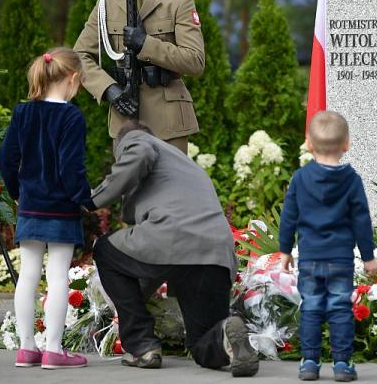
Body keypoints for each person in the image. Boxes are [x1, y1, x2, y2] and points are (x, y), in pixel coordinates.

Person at [90, 122, 258, 376]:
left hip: (172, 238)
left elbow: (141, 154)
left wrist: (90, 200)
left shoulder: (137, 141)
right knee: (201, 343)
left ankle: (143, 346)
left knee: (105, 250)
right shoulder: (185, 164)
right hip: (215, 252)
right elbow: (150, 266)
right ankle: (225, 336)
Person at [74, 0, 204, 154]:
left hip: (169, 121)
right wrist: (109, 89)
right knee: (130, 191)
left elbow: (195, 61)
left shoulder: (179, 1)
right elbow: (79, 56)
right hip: (125, 117)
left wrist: (146, 44)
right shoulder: (108, 2)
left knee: (170, 191)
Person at [0, 48, 95, 369]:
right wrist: (86, 198)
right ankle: (53, 349)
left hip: (30, 207)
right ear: (73, 79)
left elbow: (6, 159)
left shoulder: (22, 113)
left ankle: (27, 348)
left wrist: (18, 193)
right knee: (57, 277)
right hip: (61, 210)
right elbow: (71, 168)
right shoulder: (71, 117)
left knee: (26, 275)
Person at [278, 111, 377, 382]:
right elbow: (361, 221)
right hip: (340, 258)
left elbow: (289, 217)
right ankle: (342, 364)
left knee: (310, 306)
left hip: (310, 258)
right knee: (339, 308)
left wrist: (285, 250)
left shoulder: (300, 178)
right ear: (346, 144)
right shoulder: (352, 180)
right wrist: (368, 257)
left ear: (309, 143)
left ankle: (309, 362)